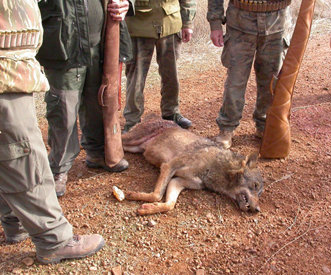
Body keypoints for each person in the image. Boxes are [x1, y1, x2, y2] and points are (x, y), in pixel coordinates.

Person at [0, 0, 104, 264]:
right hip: (6, 68)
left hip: (12, 64)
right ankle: (53, 239)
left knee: (8, 150)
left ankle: (15, 222)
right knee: (21, 152)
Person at [36, 0, 135, 197]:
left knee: (99, 102)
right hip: (63, 47)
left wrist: (126, 3)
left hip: (101, 45)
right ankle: (58, 170)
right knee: (64, 111)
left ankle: (97, 153)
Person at [207, 0, 292, 149]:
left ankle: (265, 124)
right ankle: (227, 128)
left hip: (277, 25)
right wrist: (215, 24)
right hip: (240, 26)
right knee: (235, 81)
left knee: (271, 83)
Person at [123, 0, 197, 132]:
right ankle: (132, 121)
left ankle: (171, 112)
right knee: (136, 77)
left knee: (171, 73)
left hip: (170, 22)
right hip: (139, 24)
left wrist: (187, 22)